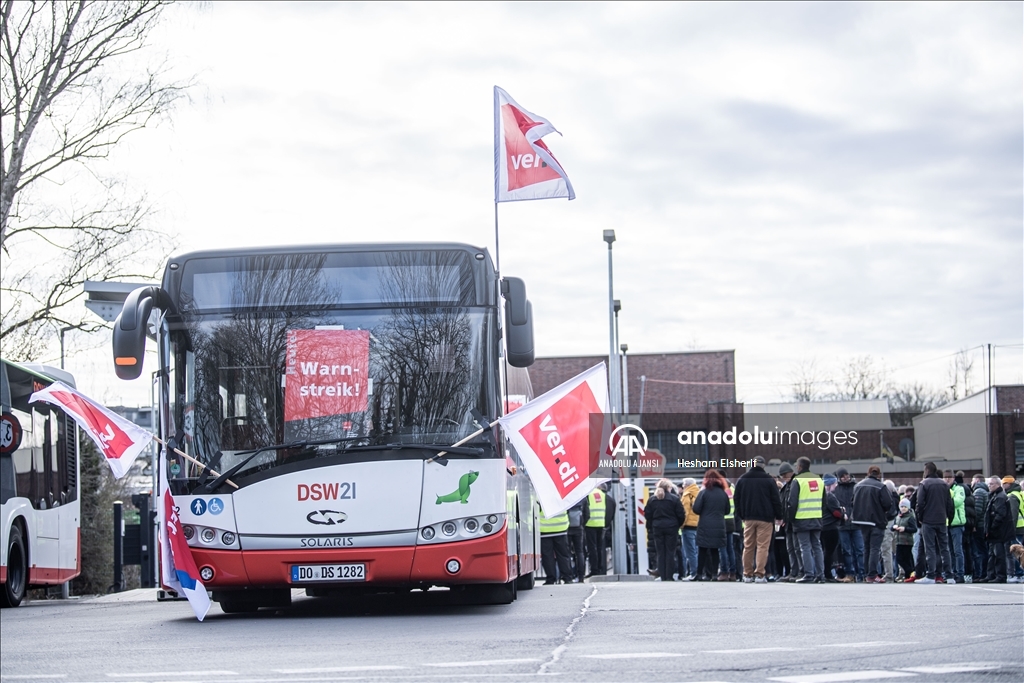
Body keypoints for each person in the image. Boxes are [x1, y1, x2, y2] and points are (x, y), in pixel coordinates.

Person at [733, 455, 783, 583]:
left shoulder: (742, 479)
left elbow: (736, 500)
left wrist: (741, 515)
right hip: (766, 519)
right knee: (762, 547)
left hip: (748, 518)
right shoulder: (768, 480)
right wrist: (779, 516)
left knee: (748, 546)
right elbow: (776, 500)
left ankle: (747, 574)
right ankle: (760, 574)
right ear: (763, 466)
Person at [915, 461, 954, 584]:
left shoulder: (924, 484)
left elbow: (920, 503)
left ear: (927, 471)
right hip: (942, 520)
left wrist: (919, 517)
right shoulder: (944, 484)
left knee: (930, 548)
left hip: (928, 520)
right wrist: (949, 518)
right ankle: (949, 575)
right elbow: (950, 504)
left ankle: (930, 575)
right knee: (944, 548)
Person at [852, 465, 893, 583]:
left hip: (862, 521)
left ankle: (867, 574)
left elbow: (852, 502)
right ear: (878, 475)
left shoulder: (858, 486)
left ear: (868, 473)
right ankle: (872, 574)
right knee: (875, 548)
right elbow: (888, 503)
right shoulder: (881, 486)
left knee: (866, 548)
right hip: (876, 521)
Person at [788, 457, 825, 583]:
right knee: (817, 546)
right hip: (817, 517)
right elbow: (824, 500)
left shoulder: (797, 480)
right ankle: (820, 574)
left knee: (805, 547)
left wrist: (790, 519)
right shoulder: (818, 479)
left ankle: (809, 574)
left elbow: (792, 502)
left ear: (799, 467)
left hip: (801, 518)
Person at [693, 469, 730, 581]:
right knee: (715, 551)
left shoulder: (703, 493)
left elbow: (696, 509)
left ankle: (699, 574)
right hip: (719, 525)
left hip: (704, 525)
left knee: (702, 551)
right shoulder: (723, 493)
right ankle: (714, 574)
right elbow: (727, 510)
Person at [644, 485, 686, 582]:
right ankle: (669, 576)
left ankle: (662, 576)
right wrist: (677, 525)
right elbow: (681, 514)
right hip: (671, 528)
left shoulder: (652, 499)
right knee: (670, 552)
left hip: (657, 528)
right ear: (668, 488)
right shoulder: (674, 499)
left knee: (660, 552)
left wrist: (653, 524)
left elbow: (647, 514)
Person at [982, 476, 1015, 583]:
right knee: (992, 554)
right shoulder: (994, 496)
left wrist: (992, 528)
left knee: (998, 554)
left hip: (999, 532)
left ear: (997, 485)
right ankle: (990, 575)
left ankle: (1000, 575)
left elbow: (1000, 514)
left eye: (991, 484)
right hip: (994, 532)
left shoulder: (1000, 497)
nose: (989, 486)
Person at [834, 467, 864, 583]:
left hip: (856, 523)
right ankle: (850, 573)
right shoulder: (837, 490)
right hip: (843, 524)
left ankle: (861, 573)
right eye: (842, 476)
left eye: (846, 475)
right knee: (846, 550)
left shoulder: (856, 487)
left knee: (860, 550)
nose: (845, 478)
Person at [778, 462, 803, 581]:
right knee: (791, 549)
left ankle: (799, 572)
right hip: (788, 523)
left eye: (785, 474)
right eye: (782, 475)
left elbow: (792, 504)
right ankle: (793, 572)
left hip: (795, 522)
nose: (783, 477)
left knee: (797, 549)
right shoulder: (786, 486)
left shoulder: (795, 483)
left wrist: (786, 518)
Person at [539, 506, 574, 585]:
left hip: (544, 528)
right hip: (561, 527)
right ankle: (567, 578)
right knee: (563, 555)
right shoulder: (559, 494)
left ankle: (551, 579)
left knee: (547, 556)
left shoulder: (540, 495)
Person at [944, 469, 967, 584]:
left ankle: (960, 574)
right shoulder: (944, 489)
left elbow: (957, 502)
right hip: (947, 524)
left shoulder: (959, 489)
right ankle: (951, 573)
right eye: (945, 477)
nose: (947, 479)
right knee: (949, 551)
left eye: (949, 477)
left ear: (953, 478)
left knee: (958, 551)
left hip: (957, 524)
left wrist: (946, 499)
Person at [821, 474, 844, 581]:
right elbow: (836, 513)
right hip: (830, 527)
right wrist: (843, 513)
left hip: (821, 526)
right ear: (830, 484)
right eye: (835, 483)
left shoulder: (819, 495)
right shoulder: (830, 496)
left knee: (823, 551)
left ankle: (823, 572)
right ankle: (828, 574)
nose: (836, 485)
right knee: (829, 552)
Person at [1003, 476, 1024, 582]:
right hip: (1022, 526)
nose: (1003, 485)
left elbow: (1013, 513)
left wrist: (1012, 529)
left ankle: (1019, 574)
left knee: (1017, 552)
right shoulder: (1019, 493)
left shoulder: (1012, 496)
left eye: (1004, 483)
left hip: (1017, 527)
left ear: (1009, 484)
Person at [892, 498, 918, 582]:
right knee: (900, 558)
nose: (903, 508)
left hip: (907, 541)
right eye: (902, 506)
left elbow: (914, 529)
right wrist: (893, 527)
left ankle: (910, 572)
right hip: (899, 541)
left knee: (905, 558)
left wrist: (905, 529)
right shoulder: (898, 517)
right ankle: (909, 575)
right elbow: (891, 527)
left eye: (905, 507)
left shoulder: (910, 517)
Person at [583, 485, 607, 577]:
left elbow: (585, 509)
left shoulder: (588, 494)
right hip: (600, 523)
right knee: (600, 548)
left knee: (592, 548)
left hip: (590, 523)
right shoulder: (602, 494)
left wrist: (584, 522)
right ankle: (600, 568)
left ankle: (594, 570)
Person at [679, 478, 700, 580]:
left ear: (687, 485)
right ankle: (698, 572)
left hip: (688, 526)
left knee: (690, 552)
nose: (682, 486)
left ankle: (693, 573)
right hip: (698, 526)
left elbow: (685, 512)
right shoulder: (699, 493)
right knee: (696, 551)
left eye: (683, 484)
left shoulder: (687, 494)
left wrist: (681, 525)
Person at [971, 473, 990, 581]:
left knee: (979, 551)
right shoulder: (986, 491)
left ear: (977, 480)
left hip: (979, 526)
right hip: (984, 525)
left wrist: (973, 525)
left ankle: (980, 574)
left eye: (973, 480)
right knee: (984, 550)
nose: (971, 482)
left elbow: (977, 511)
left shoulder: (978, 492)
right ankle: (984, 572)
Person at [566, 499, 586, 582]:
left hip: (567, 528)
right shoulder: (582, 498)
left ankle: (569, 576)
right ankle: (581, 576)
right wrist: (581, 524)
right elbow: (587, 514)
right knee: (579, 552)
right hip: (578, 528)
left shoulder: (566, 497)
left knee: (567, 553)